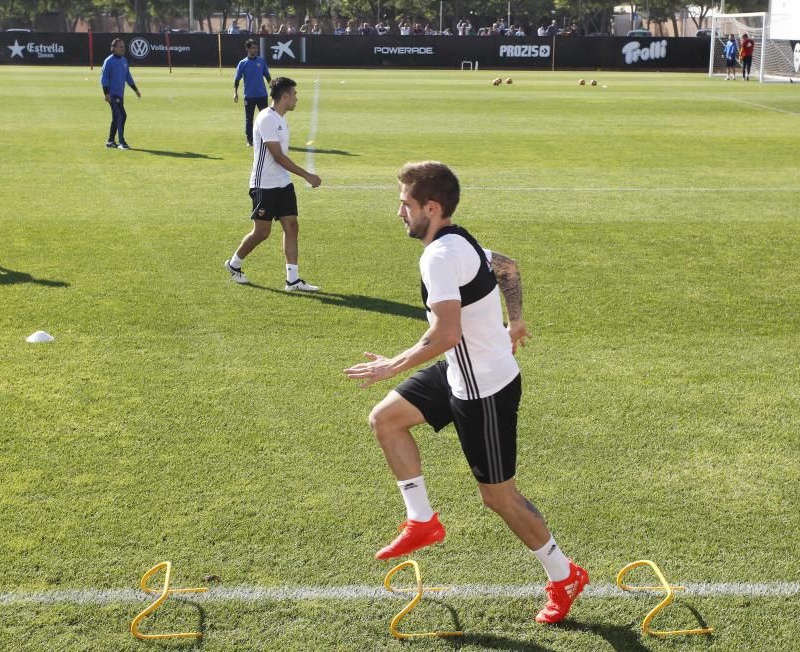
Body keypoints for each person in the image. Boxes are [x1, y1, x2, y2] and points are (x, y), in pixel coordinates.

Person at [343, 161, 589, 625]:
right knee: (387, 419)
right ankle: (422, 521)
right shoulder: (460, 240)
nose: (399, 211)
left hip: (484, 390)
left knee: (499, 498)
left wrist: (390, 365)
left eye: (405, 204)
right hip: (461, 372)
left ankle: (565, 575)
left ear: (431, 208)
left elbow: (445, 334)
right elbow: (506, 267)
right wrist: (514, 320)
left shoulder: (437, 256)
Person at [224, 77, 322, 291]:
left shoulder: (280, 119)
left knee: (292, 226)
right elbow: (277, 156)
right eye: (294, 94)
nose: (296, 98)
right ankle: (234, 264)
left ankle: (293, 280)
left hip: (283, 183)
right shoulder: (267, 119)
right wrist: (307, 175)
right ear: (285, 97)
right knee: (262, 232)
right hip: (264, 185)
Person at [100, 38, 141, 150]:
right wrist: (106, 93)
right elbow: (104, 78)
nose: (123, 49)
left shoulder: (124, 60)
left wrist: (135, 89)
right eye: (120, 47)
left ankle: (110, 141)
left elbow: (128, 76)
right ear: (113, 48)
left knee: (116, 117)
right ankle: (121, 142)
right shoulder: (109, 61)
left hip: (120, 94)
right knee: (122, 115)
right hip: (112, 95)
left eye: (123, 46)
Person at [233, 39, 272, 147]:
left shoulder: (261, 61)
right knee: (249, 119)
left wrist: (273, 89)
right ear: (248, 49)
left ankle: (266, 138)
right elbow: (237, 79)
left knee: (266, 118)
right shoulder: (242, 63)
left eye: (256, 48)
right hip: (249, 96)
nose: (256, 50)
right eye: (253, 48)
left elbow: (267, 76)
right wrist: (235, 93)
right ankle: (250, 140)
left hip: (262, 95)